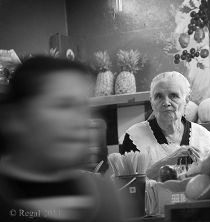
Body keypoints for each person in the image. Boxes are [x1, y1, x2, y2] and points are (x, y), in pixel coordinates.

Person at [0, 56, 122, 222]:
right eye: (63, 105)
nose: (81, 121)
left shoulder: (105, 197)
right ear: (16, 118)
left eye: (84, 107)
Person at [120, 71, 210, 180]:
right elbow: (128, 186)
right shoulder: (134, 137)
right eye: (159, 96)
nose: (166, 103)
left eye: (173, 96)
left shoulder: (206, 138)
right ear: (151, 102)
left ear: (187, 100)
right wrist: (168, 160)